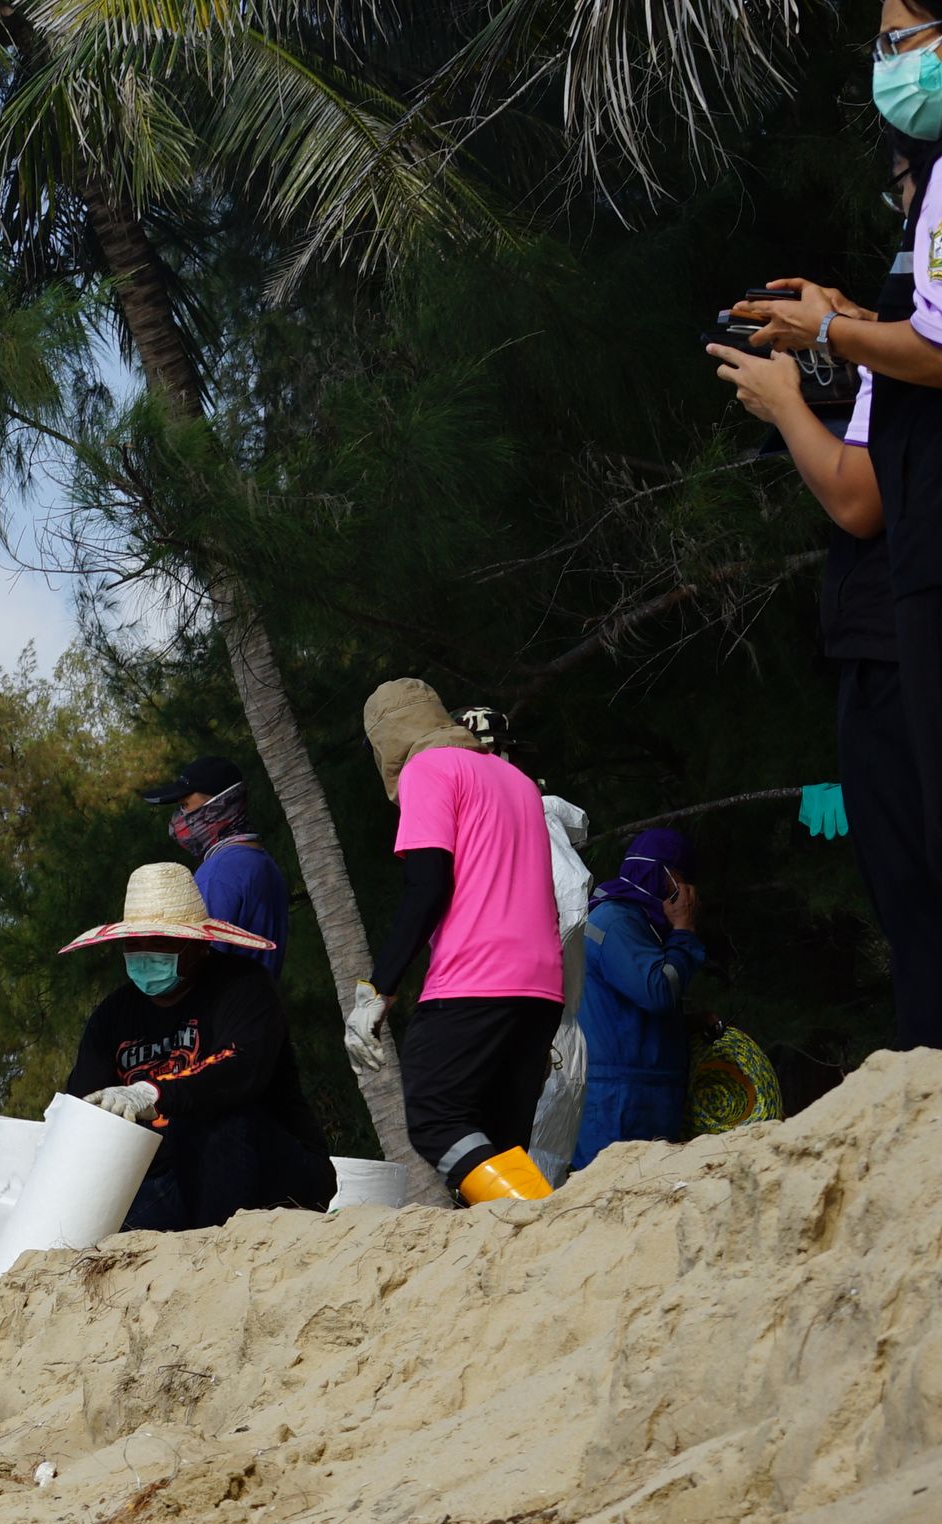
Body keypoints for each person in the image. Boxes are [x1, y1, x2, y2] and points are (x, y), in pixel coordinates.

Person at [737, 3, 942, 1042]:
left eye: (903, 32)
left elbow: (856, 494)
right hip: (885, 615)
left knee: (916, 895)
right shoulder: (888, 329)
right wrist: (845, 329)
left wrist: (797, 383)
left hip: (894, 618)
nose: (890, 59)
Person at [350, 681, 564, 1203]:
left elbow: (427, 885)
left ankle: (536, 1217)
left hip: (474, 982)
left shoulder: (429, 768)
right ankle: (521, 1249)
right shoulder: (515, 780)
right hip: (540, 987)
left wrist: (378, 989)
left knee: (435, 1119)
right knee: (499, 1140)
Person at [58, 864, 336, 1229]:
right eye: (134, 944)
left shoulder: (243, 988)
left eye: (159, 942)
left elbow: (240, 1069)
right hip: (166, 1179)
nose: (144, 955)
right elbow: (87, 1101)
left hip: (268, 1165)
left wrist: (152, 1093)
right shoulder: (112, 1016)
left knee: (208, 1124)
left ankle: (214, 1249)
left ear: (198, 944)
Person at [571, 829, 714, 1167]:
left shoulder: (639, 922)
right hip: (618, 1097)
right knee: (610, 1199)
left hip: (644, 1090)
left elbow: (630, 1005)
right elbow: (657, 991)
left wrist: (685, 1025)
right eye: (682, 878)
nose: (688, 893)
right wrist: (683, 932)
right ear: (662, 873)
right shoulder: (617, 920)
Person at [139, 754, 289, 971]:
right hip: (257, 999)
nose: (179, 818)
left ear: (220, 804)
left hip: (224, 1002)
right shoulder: (260, 862)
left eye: (185, 805)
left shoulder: (219, 873)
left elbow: (196, 964)